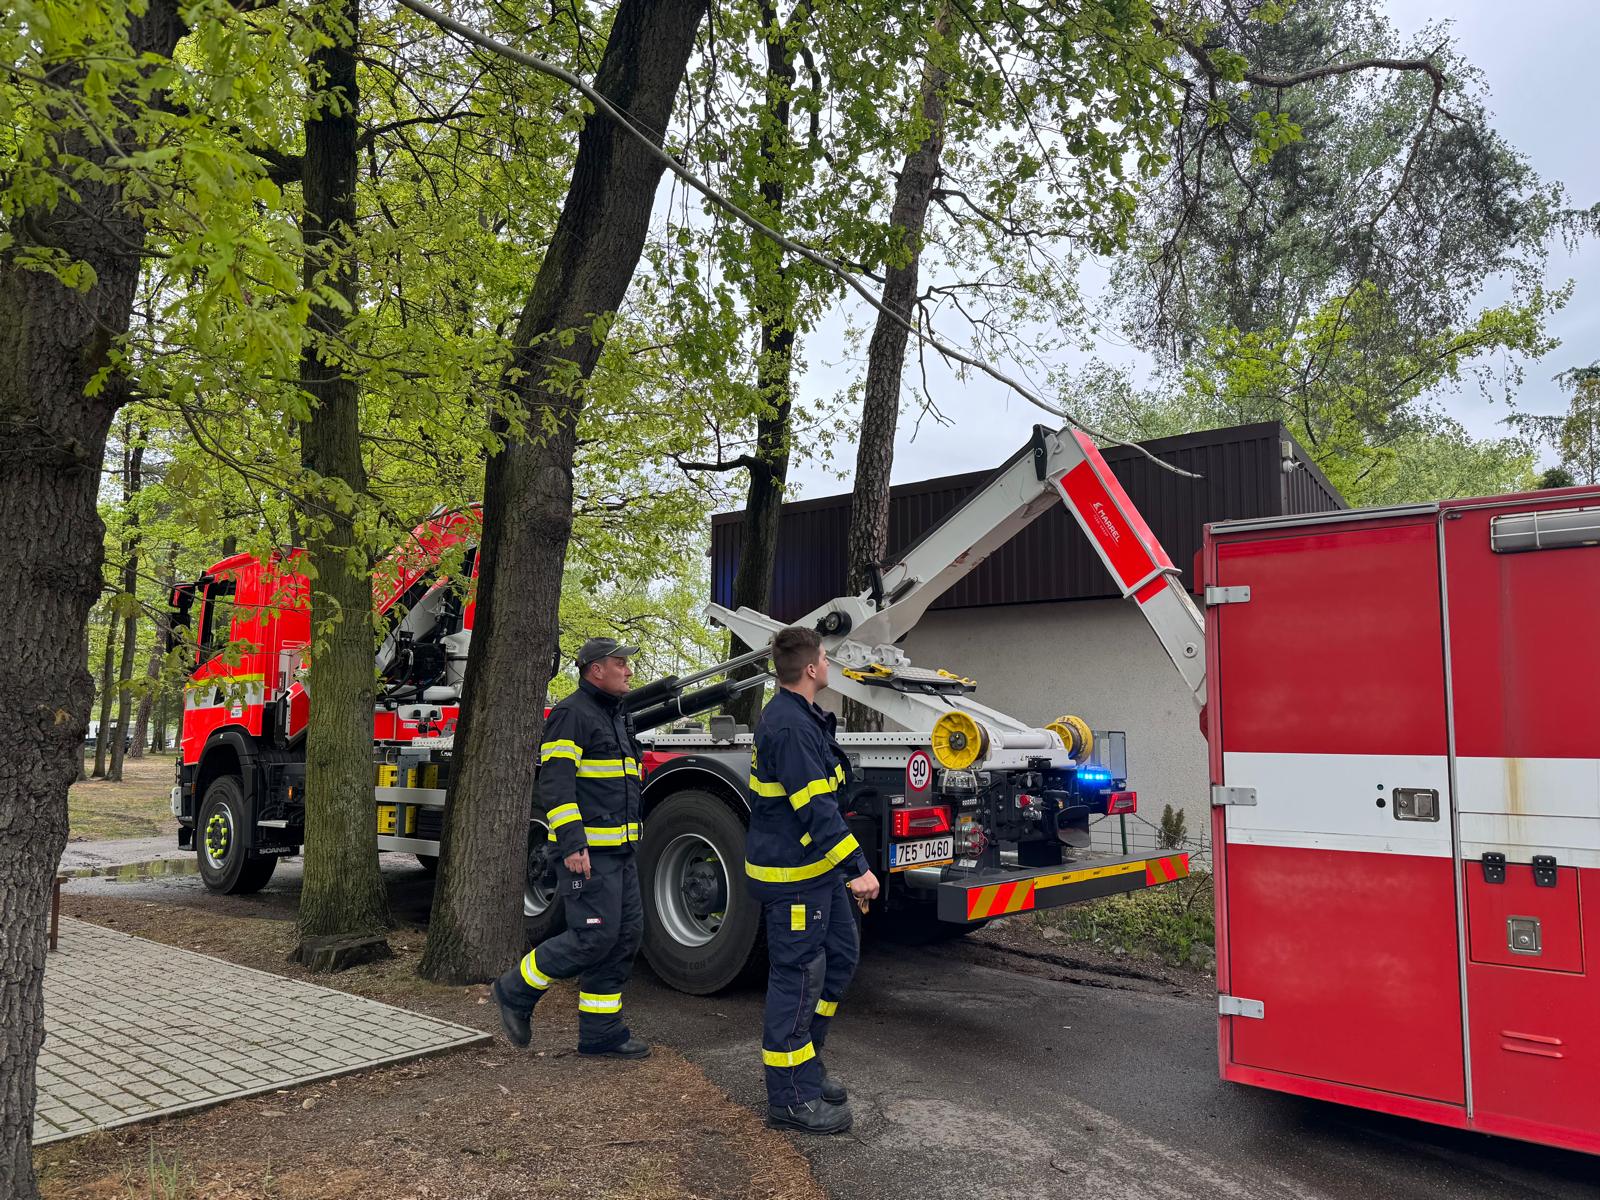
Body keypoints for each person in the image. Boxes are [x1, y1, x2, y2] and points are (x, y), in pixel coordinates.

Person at [746, 625, 880, 1134]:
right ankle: (790, 1099)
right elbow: (815, 809)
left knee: (840, 961)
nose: (828, 664)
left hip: (817, 873)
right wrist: (859, 871)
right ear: (809, 668)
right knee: (799, 980)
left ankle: (807, 1063)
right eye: (824, 657)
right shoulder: (789, 728)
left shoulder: (801, 718)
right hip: (794, 878)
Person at [491, 637, 649, 1059]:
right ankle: (514, 990)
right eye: (621, 664)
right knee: (592, 938)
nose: (628, 671)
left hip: (620, 853)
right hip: (588, 855)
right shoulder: (571, 714)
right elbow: (556, 784)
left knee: (624, 937)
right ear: (595, 669)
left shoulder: (616, 716)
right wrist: (574, 843)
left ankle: (601, 1032)